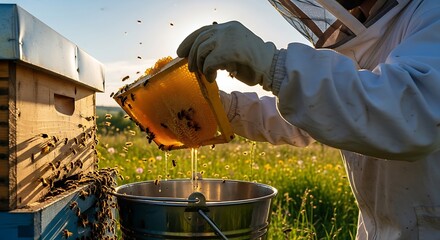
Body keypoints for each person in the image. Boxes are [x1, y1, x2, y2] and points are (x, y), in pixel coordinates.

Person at [176, 0, 440, 239]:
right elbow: (320, 112)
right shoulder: (369, 34)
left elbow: (412, 114)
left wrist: (274, 65)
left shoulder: (432, 14)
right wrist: (226, 109)